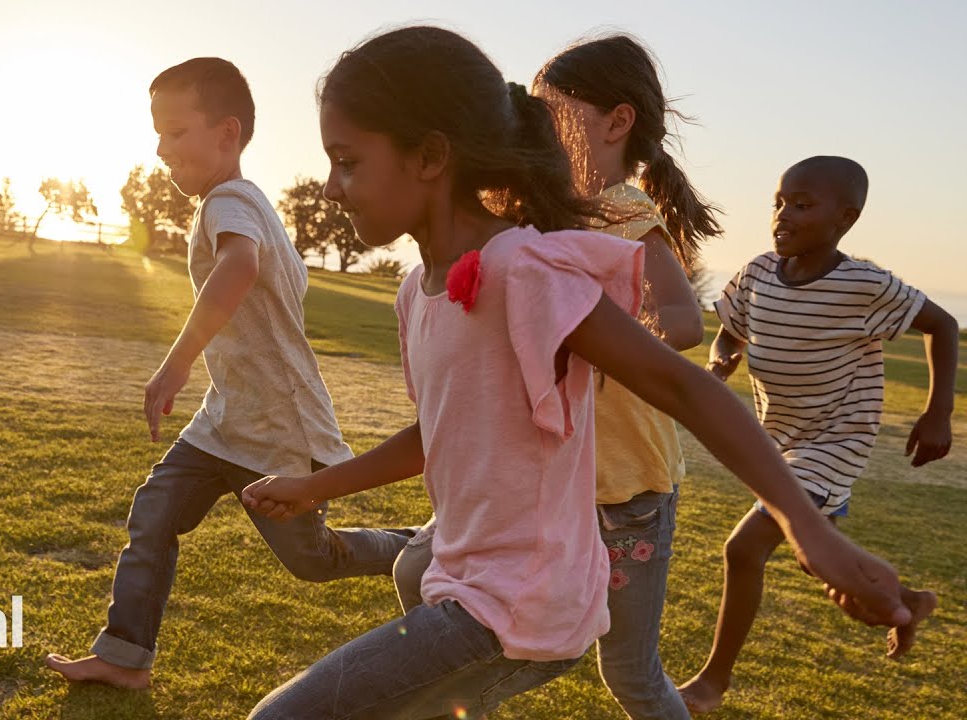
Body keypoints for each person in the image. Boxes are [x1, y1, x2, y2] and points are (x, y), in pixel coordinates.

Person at [242, 27, 916, 720]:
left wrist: (809, 529)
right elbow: (434, 437)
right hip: (467, 584)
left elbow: (683, 387)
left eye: (348, 162)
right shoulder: (417, 292)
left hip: (519, 605)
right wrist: (315, 486)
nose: (331, 187)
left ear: (431, 156)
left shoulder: (525, 270)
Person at [43, 57, 414, 690]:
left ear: (227, 133)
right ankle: (125, 657)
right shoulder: (247, 204)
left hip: (278, 428)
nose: (162, 149)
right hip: (225, 420)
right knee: (155, 510)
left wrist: (175, 363)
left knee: (313, 561)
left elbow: (239, 267)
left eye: (176, 132)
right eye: (157, 134)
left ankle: (416, 547)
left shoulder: (230, 200)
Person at [390, 33, 721, 720]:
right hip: (537, 481)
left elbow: (684, 322)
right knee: (418, 570)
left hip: (621, 489)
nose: (535, 128)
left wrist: (594, 336)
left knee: (630, 674)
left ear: (617, 121)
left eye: (553, 112)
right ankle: (457, 702)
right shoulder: (531, 213)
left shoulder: (624, 212)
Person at [677, 156, 950, 714]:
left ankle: (711, 682)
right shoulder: (757, 273)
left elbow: (942, 324)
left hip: (833, 443)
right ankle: (907, 602)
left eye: (801, 205)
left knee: (742, 548)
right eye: (778, 203)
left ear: (845, 218)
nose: (782, 215)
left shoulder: (864, 284)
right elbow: (730, 331)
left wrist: (937, 412)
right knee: (816, 558)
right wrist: (722, 356)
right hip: (778, 442)